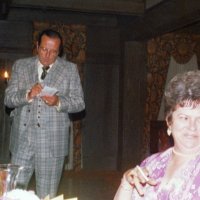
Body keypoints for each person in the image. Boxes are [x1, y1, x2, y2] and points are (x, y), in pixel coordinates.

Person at [4, 29, 85, 199]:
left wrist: (58, 102)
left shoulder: (70, 70)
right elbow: (8, 100)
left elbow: (79, 103)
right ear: (37, 46)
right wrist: (28, 94)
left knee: (47, 196)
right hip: (22, 142)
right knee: (11, 194)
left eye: (54, 52)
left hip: (51, 146)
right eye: (44, 49)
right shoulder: (21, 65)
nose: (48, 55)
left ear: (59, 51)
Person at [114, 70, 200, 199]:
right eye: (184, 118)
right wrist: (127, 183)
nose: (192, 126)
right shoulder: (152, 163)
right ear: (169, 122)